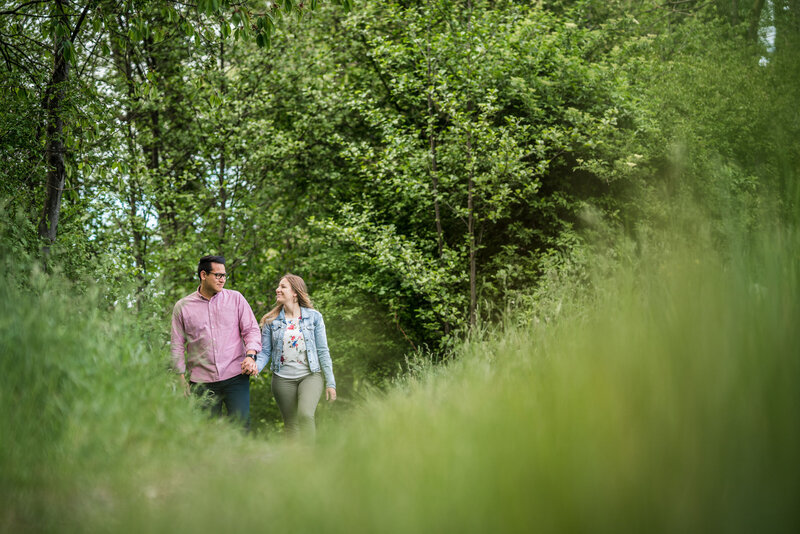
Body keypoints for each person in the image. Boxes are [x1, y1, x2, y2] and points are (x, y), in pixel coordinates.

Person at [171, 255, 261, 430]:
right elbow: (177, 344)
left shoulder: (236, 299)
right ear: (203, 275)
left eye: (224, 275)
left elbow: (251, 330)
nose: (222, 280)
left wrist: (251, 356)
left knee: (242, 426)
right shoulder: (182, 307)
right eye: (218, 275)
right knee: (207, 432)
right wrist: (180, 377)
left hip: (235, 376)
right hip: (201, 382)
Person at [242, 273, 336, 439]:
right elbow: (265, 352)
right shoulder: (271, 321)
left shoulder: (314, 317)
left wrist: (330, 382)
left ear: (295, 292)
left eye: (283, 287)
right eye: (278, 286)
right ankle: (294, 461)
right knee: (291, 424)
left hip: (310, 376)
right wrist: (256, 366)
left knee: (305, 415)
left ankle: (309, 459)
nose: (278, 290)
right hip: (282, 379)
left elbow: (323, 350)